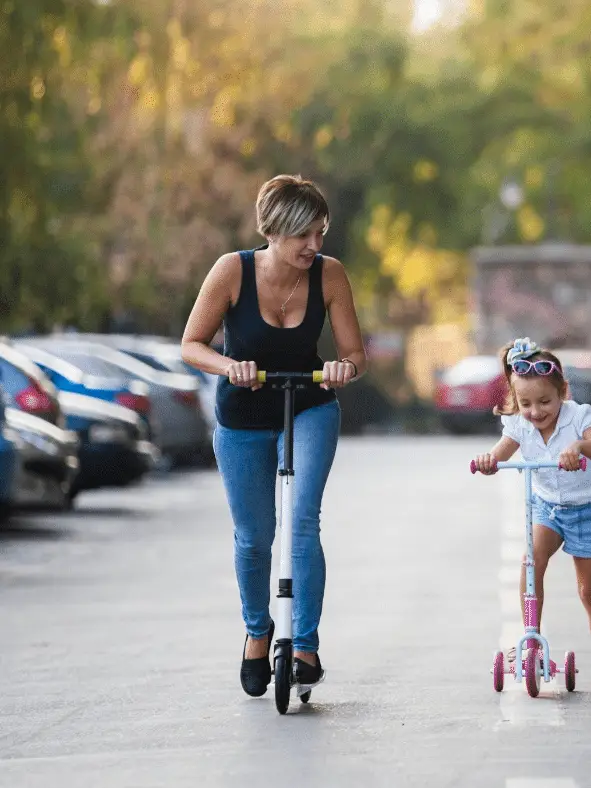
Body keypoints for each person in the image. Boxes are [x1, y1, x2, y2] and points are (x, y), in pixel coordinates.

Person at [181, 174, 367, 697]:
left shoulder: (330, 276)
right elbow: (191, 344)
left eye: (320, 233)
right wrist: (227, 366)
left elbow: (356, 355)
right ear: (275, 231)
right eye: (304, 235)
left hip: (308, 406)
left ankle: (305, 644)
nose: (315, 246)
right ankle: (258, 634)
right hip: (242, 414)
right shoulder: (232, 271)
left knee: (302, 520)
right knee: (254, 536)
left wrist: (341, 369)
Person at [473, 337, 591, 692]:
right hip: (547, 508)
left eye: (544, 402)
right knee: (531, 562)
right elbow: (501, 452)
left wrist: (580, 446)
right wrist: (489, 461)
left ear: (562, 392)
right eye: (525, 403)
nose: (536, 412)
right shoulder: (520, 425)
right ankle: (531, 640)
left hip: (588, 510)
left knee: (590, 590)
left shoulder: (579, 416)